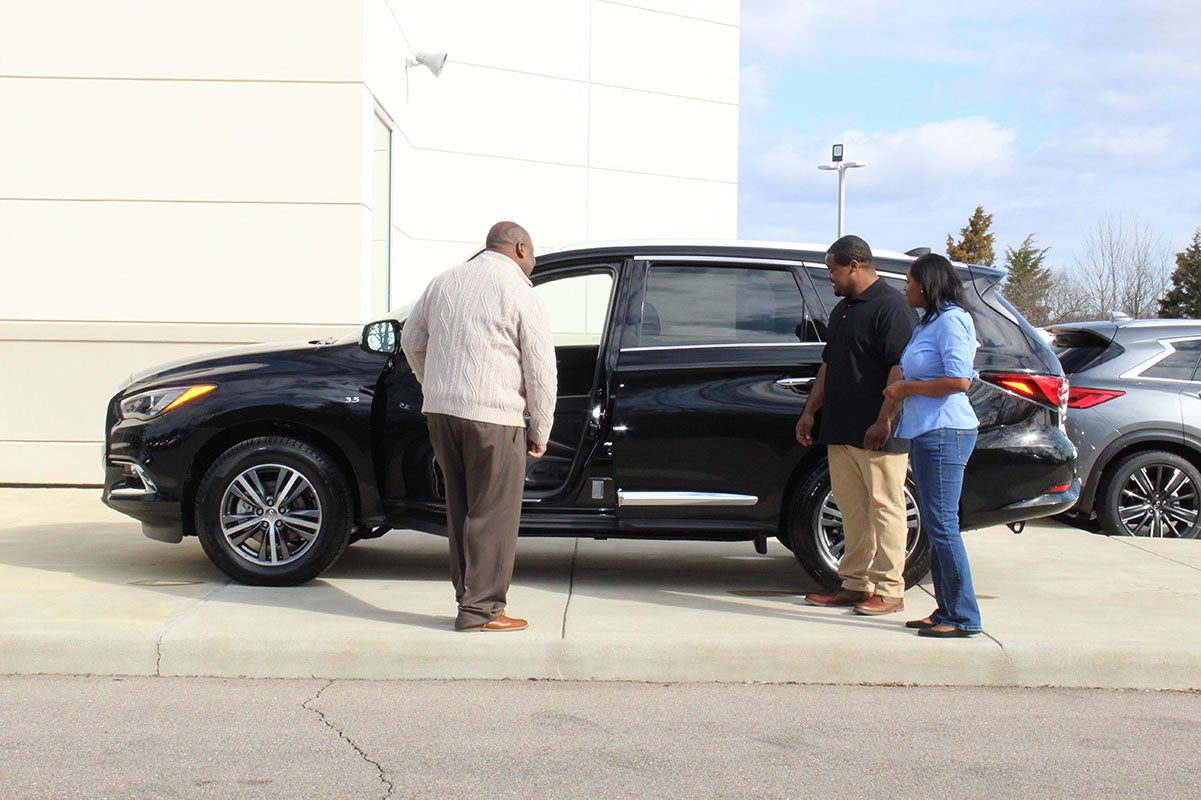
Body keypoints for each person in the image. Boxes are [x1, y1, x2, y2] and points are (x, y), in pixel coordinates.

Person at [401, 221, 557, 632]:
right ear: (520, 248)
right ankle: (481, 611)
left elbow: (411, 340)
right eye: (533, 252)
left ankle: (467, 598)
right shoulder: (520, 292)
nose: (533, 260)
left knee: (462, 509)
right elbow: (541, 370)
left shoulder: (444, 281)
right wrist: (540, 429)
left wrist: (433, 385)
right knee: (493, 514)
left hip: (442, 414)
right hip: (494, 416)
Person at [797, 235, 916, 616]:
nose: (829, 276)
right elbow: (829, 365)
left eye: (832, 269)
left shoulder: (891, 307)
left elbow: (901, 368)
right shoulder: (843, 310)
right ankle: (854, 583)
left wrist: (885, 419)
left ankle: (890, 590)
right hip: (841, 426)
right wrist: (810, 411)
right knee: (852, 509)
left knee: (885, 507)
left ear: (854, 265)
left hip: (878, 431)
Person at [883, 253, 982, 638]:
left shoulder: (953, 320)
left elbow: (959, 380)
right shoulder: (930, 322)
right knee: (938, 525)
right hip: (927, 431)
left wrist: (906, 388)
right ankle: (947, 609)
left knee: (943, 526)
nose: (905, 287)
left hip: (946, 431)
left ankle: (963, 616)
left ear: (927, 285)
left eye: (909, 281)